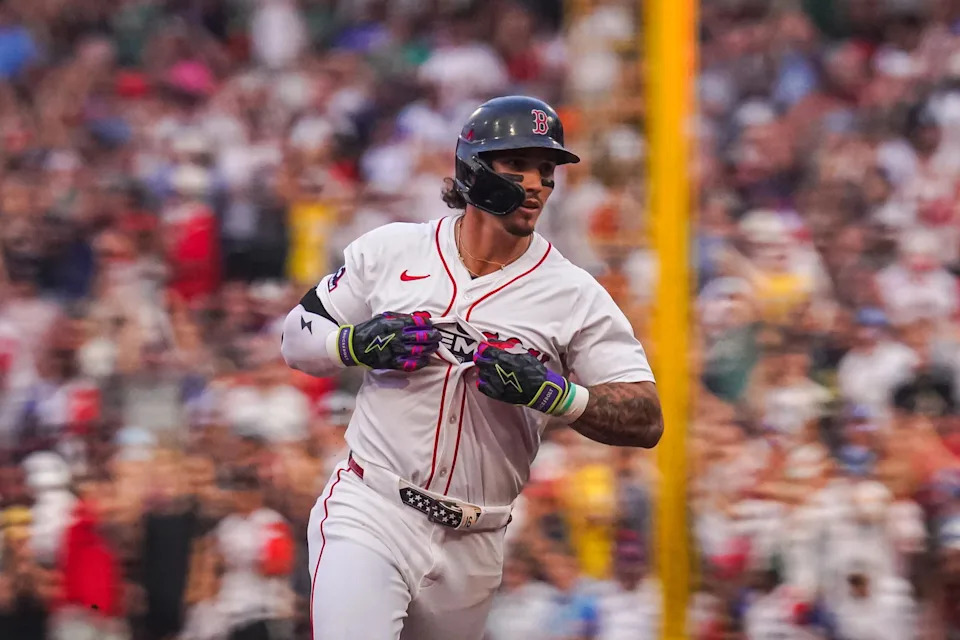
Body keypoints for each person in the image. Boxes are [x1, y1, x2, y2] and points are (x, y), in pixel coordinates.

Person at [280, 95, 662, 640]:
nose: (535, 184)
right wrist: (354, 344)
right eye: (518, 166)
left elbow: (646, 418)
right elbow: (296, 338)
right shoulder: (394, 248)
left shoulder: (574, 293)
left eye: (546, 170)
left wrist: (555, 394)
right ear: (472, 168)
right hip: (373, 507)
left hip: (476, 537)